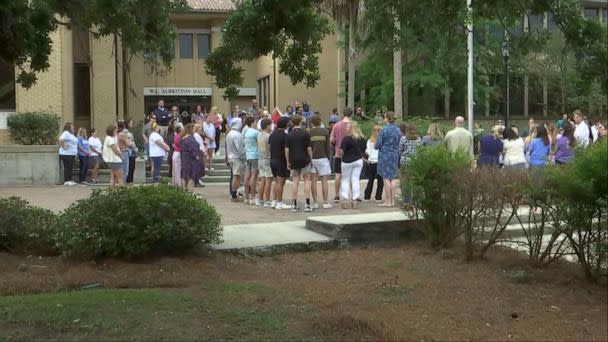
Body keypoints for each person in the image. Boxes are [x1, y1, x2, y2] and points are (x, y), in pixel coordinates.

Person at [285, 115, 313, 212]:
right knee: (306, 180)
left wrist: (288, 161)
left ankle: (294, 204)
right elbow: (309, 148)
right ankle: (308, 204)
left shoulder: (289, 135)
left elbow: (287, 150)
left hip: (293, 159)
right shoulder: (305, 133)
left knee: (295, 181)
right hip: (305, 159)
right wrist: (311, 159)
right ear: (301, 122)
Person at [375, 112, 401, 208]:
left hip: (384, 155)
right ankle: (393, 201)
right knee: (393, 177)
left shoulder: (384, 130)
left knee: (386, 178)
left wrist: (376, 146)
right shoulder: (397, 130)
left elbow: (378, 144)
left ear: (387, 118)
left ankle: (387, 200)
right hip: (394, 154)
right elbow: (399, 141)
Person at [340, 121, 366, 209]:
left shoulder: (346, 138)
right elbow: (363, 150)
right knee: (355, 180)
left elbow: (341, 151)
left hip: (347, 161)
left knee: (345, 180)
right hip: (358, 160)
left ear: (351, 128)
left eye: (348, 127)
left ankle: (344, 200)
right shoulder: (361, 138)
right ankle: (355, 201)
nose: (346, 129)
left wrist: (340, 155)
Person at [330, 106, 354, 203]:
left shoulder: (336, 125)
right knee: (353, 176)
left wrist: (335, 146)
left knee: (338, 175)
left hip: (339, 153)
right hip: (352, 154)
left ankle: (336, 195)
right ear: (351, 114)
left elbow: (331, 139)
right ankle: (354, 195)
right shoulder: (353, 125)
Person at [309, 115, 333, 209]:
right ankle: (325, 202)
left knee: (313, 181)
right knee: (324, 181)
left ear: (311, 123)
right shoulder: (325, 131)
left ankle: (315, 202)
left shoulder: (309, 132)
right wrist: (328, 157)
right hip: (323, 158)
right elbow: (328, 146)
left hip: (312, 158)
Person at [269, 117, 292, 210]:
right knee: (281, 182)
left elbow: (269, 147)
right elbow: (287, 150)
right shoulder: (285, 136)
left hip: (273, 160)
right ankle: (280, 202)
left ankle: (274, 201)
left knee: (276, 181)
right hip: (281, 161)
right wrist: (288, 162)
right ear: (286, 125)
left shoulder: (272, 135)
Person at [226, 118, 246, 202]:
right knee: (236, 176)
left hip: (231, 156)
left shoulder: (229, 133)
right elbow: (240, 149)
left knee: (235, 175)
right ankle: (234, 195)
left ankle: (234, 193)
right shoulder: (237, 135)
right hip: (237, 158)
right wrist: (243, 156)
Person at [179, 123, 202, 191]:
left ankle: (184, 190)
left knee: (185, 175)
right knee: (191, 176)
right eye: (194, 129)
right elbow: (193, 149)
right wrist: (197, 156)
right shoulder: (191, 139)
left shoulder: (183, 138)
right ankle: (190, 192)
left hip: (184, 158)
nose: (194, 130)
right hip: (191, 160)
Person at [243, 116, 261, 205]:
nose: (256, 123)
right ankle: (252, 197)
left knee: (247, 176)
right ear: (252, 122)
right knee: (254, 176)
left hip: (248, 155)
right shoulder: (256, 132)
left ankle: (246, 197)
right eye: (255, 122)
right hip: (255, 155)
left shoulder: (246, 132)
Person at [364, 125, 383, 201]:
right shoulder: (381, 140)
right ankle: (378, 196)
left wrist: (371, 155)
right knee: (380, 180)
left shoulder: (369, 140)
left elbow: (367, 151)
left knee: (371, 179)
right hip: (379, 161)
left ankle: (367, 196)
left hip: (372, 161)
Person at [257, 118, 273, 208]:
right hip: (267, 159)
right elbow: (271, 148)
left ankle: (260, 199)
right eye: (270, 125)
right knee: (268, 181)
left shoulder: (259, 135)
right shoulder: (268, 136)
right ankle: (267, 200)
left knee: (262, 180)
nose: (271, 127)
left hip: (260, 159)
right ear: (267, 126)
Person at [123, 119, 139, 185]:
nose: (132, 124)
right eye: (131, 123)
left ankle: (129, 181)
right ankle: (129, 182)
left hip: (131, 152)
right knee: (130, 168)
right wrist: (136, 149)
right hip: (130, 152)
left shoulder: (129, 132)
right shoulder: (127, 132)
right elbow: (130, 143)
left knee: (131, 167)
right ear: (128, 124)